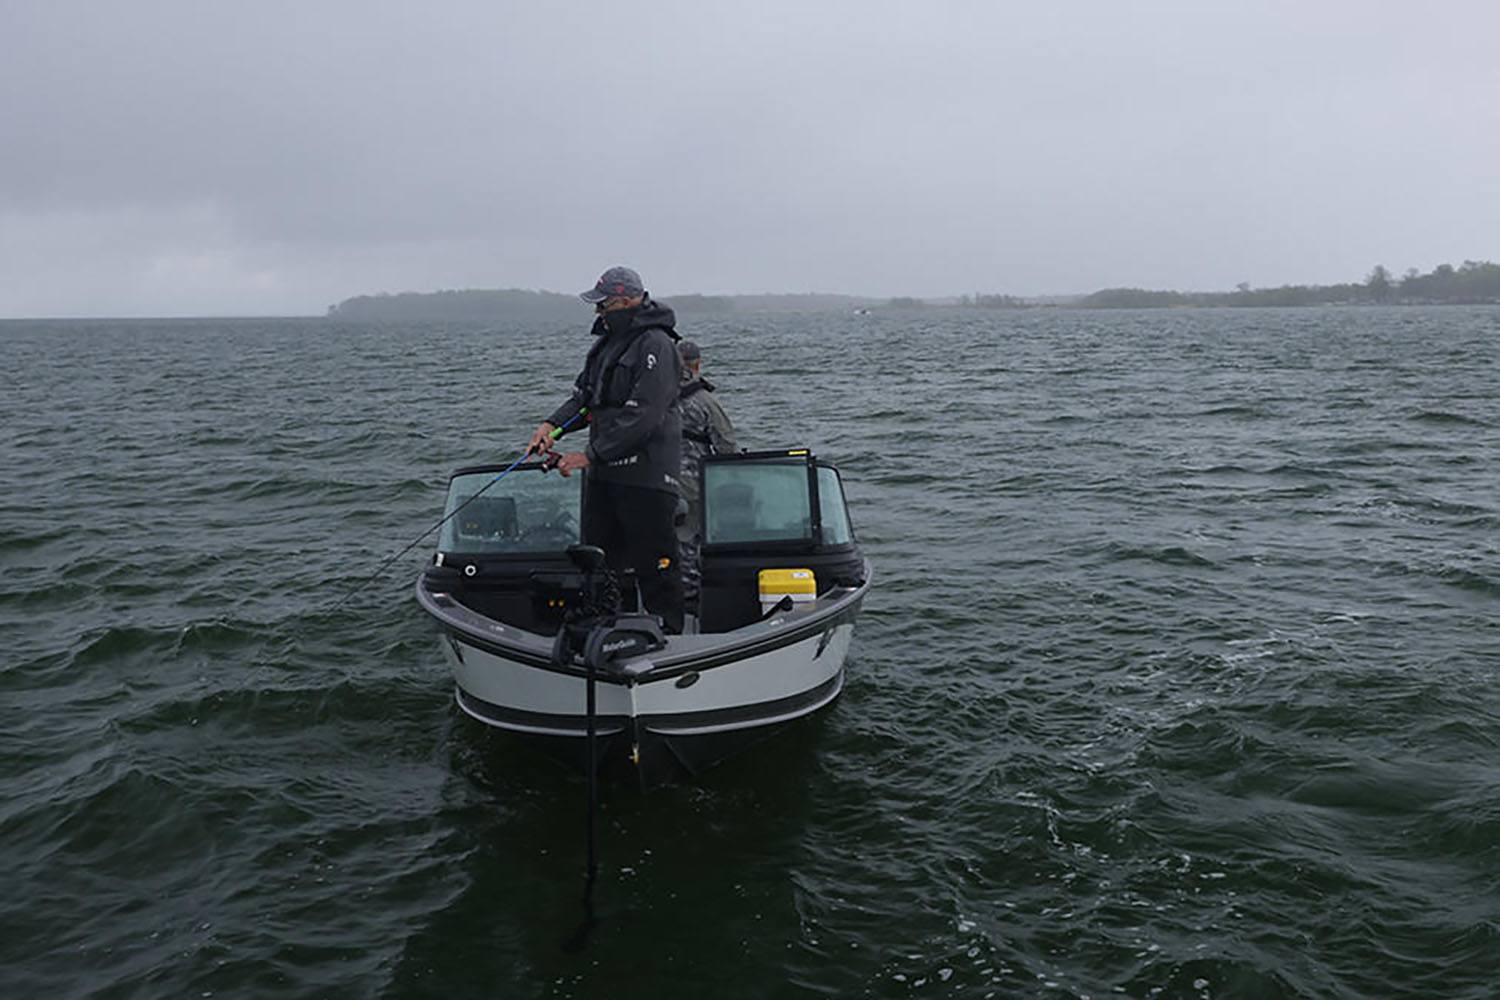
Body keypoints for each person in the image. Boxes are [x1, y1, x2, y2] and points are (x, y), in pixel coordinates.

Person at [527, 266, 685, 634]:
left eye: (604, 305)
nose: (599, 313)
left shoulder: (657, 344)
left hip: (646, 478)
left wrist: (590, 455)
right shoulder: (605, 346)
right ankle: (605, 628)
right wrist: (551, 427)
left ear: (629, 300)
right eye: (597, 306)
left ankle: (670, 636)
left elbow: (645, 413)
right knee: (599, 561)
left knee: (656, 563)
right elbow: (585, 401)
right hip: (606, 477)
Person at [676, 340, 738, 614]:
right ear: (698, 365)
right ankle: (689, 599)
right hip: (692, 482)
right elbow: (726, 446)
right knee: (690, 537)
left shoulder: (653, 397)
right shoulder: (705, 401)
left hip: (653, 478)